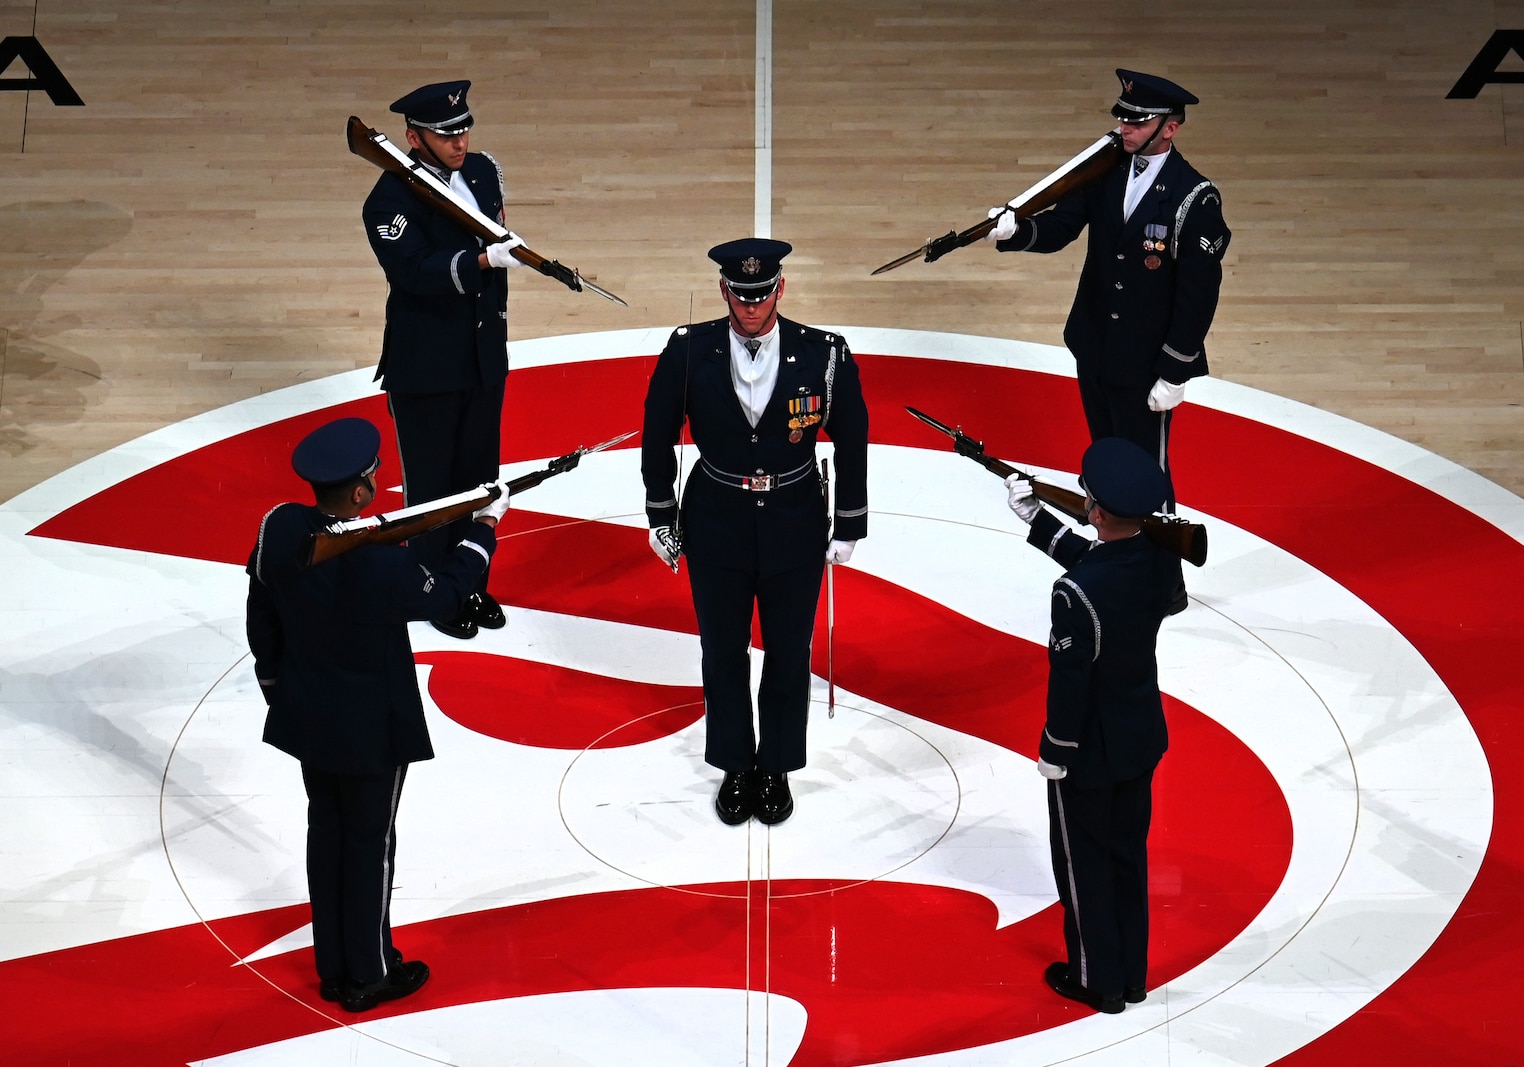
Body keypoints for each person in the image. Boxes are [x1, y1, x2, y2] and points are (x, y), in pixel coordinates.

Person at [245, 417, 509, 1012]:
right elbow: (449, 592)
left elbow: (261, 610)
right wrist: (484, 529)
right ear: (362, 491)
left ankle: (334, 966)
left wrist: (275, 686)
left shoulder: (279, 527)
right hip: (371, 729)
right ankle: (369, 972)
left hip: (308, 715)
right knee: (370, 845)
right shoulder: (378, 567)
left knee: (327, 836)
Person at [641, 238, 869, 826]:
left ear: (780, 289)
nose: (750, 307)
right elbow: (657, 433)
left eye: (762, 295)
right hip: (715, 521)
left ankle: (777, 766)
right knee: (722, 651)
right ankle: (736, 764)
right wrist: (661, 514)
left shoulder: (824, 353)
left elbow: (852, 438)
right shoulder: (688, 351)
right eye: (740, 295)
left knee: (789, 652)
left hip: (795, 520)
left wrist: (849, 523)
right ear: (724, 290)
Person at [985, 69, 1231, 519]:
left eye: (1138, 122)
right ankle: (1111, 542)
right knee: (1105, 460)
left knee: (1146, 471)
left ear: (1170, 128)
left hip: (1145, 363)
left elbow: (1198, 296)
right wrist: (1015, 231)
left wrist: (1175, 371)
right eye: (1123, 119)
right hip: (1095, 345)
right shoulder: (1105, 171)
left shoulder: (1194, 198)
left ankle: (1161, 558)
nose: (1125, 129)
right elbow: (1061, 227)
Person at [1003, 437, 1179, 1014]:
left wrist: (1055, 748)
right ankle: (1130, 976)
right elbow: (1108, 564)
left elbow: (1070, 683)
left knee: (1082, 863)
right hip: (1140, 735)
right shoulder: (1159, 558)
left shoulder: (1075, 594)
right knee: (1127, 855)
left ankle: (1095, 979)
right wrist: (1038, 521)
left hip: (1089, 750)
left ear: (1096, 512)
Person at [362, 79, 525, 640]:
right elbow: (414, 272)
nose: (459, 143)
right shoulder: (388, 201)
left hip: (483, 356)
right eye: (445, 134)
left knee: (479, 480)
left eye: (463, 130)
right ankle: (435, 591)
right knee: (433, 490)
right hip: (427, 365)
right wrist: (482, 261)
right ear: (414, 138)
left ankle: (470, 583)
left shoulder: (482, 171)